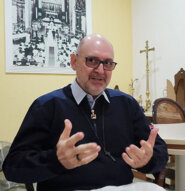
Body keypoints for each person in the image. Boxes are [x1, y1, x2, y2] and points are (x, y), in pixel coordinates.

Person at [3, 34, 168, 191]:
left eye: (108, 63)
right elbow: (12, 167)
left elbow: (160, 150)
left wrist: (148, 160)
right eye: (92, 61)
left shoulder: (126, 104)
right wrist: (56, 160)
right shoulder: (47, 106)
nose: (101, 70)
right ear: (74, 62)